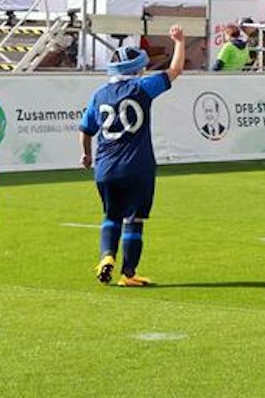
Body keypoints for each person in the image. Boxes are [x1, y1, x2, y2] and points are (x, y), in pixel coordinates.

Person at [80, 26, 189, 287]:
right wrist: (179, 42)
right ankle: (128, 274)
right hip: (138, 165)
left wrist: (86, 156)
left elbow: (85, 130)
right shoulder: (143, 87)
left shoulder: (99, 94)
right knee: (134, 218)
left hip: (106, 166)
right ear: (137, 68)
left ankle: (107, 256)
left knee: (111, 216)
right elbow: (175, 71)